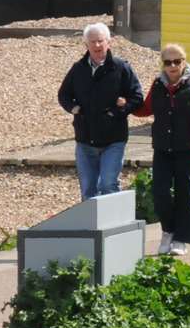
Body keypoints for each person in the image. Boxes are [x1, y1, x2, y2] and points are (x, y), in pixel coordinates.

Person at [131, 43, 190, 255]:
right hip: (162, 149)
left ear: (184, 62)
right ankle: (168, 231)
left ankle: (181, 239)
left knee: (185, 193)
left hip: (187, 149)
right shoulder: (158, 84)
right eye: (168, 62)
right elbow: (146, 108)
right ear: (163, 64)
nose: (173, 66)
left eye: (177, 61)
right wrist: (126, 104)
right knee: (160, 192)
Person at [57, 23, 143, 200]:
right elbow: (63, 94)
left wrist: (120, 110)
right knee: (88, 189)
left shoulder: (121, 67)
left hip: (114, 139)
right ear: (86, 45)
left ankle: (113, 226)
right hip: (85, 139)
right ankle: (89, 227)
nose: (97, 45)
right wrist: (74, 109)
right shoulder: (78, 69)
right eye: (92, 42)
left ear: (108, 42)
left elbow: (137, 96)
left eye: (100, 41)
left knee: (108, 184)